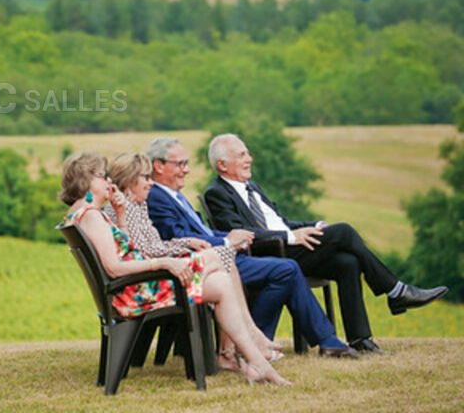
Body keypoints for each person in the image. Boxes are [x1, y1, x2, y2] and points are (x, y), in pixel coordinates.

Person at [203, 133, 449, 354]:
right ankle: (395, 291)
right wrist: (291, 237)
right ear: (222, 164)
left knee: (347, 262)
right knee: (343, 231)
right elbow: (240, 234)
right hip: (271, 254)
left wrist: (313, 225)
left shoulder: (252, 188)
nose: (250, 158)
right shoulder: (217, 193)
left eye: (248, 152)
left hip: (289, 246)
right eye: (242, 154)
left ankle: (360, 339)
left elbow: (282, 222)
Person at [60, 151, 290, 385]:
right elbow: (114, 268)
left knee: (220, 280)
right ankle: (249, 352)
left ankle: (255, 362)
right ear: (86, 179)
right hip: (134, 295)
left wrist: (121, 216)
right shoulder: (92, 217)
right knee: (217, 255)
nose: (109, 181)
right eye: (103, 175)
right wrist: (164, 262)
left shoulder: (85, 214)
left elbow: (127, 251)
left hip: (134, 289)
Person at [143, 137, 359, 358]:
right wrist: (227, 242)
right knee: (286, 269)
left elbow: (201, 233)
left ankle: (263, 342)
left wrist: (231, 236)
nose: (187, 170)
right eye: (180, 164)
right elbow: (179, 238)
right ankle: (266, 343)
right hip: (205, 264)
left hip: (217, 255)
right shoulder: (157, 197)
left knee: (287, 269)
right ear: (159, 166)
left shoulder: (174, 196)